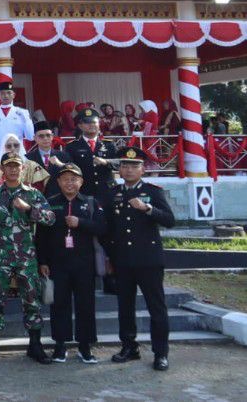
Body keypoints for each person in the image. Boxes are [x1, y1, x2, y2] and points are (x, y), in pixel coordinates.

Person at [0, 153, 55, 365]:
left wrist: (29, 209)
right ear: (2, 169)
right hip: (1, 257)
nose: (13, 170)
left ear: (23, 168)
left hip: (26, 256)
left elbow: (50, 219)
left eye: (17, 166)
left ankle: (35, 346)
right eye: (9, 166)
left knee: (32, 302)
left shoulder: (33, 194)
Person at [106, 147, 175, 371]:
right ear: (120, 169)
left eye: (134, 166)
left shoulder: (153, 191)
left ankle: (161, 353)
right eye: (124, 165)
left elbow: (170, 220)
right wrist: (110, 255)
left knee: (157, 307)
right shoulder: (113, 193)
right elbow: (107, 228)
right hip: (123, 260)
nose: (129, 169)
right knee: (125, 306)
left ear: (142, 168)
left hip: (149, 259)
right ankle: (129, 346)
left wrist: (148, 209)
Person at [36, 163, 106, 364]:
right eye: (65, 179)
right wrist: (43, 261)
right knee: (59, 305)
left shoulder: (91, 203)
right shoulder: (49, 203)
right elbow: (41, 236)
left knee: (86, 304)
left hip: (85, 263)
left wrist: (80, 223)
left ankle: (85, 346)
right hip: (58, 263)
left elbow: (102, 228)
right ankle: (60, 346)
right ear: (58, 182)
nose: (69, 183)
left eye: (74, 179)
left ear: (81, 182)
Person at [26, 121, 67, 197]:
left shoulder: (63, 156)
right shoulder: (28, 158)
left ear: (52, 137)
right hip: (36, 199)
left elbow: (72, 172)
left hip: (58, 198)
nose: (45, 138)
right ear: (35, 138)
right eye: (41, 136)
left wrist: (60, 164)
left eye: (48, 135)